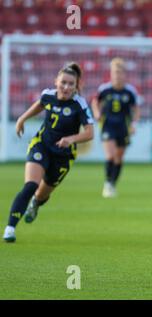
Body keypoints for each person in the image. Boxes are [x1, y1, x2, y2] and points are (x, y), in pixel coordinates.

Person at [2, 62, 94, 242]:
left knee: (42, 195)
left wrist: (71, 139)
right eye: (63, 83)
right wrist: (22, 119)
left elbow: (90, 133)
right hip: (42, 145)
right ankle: (10, 228)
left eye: (70, 84)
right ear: (56, 82)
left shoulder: (79, 104)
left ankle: (35, 204)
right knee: (30, 185)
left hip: (63, 155)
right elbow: (39, 105)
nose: (66, 87)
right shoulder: (48, 95)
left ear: (76, 87)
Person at [91, 58, 141, 198]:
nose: (117, 75)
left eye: (119, 72)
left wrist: (134, 124)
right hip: (108, 126)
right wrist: (96, 113)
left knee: (119, 158)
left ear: (124, 74)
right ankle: (107, 184)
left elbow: (136, 109)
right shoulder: (104, 89)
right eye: (114, 72)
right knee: (110, 155)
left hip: (123, 127)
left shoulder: (130, 91)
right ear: (111, 74)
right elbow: (95, 102)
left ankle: (112, 183)